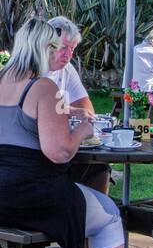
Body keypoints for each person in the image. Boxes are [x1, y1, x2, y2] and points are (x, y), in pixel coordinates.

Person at [0, 18, 142, 248]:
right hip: (26, 195)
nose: (58, 56)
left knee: (89, 198)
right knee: (108, 214)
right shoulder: (42, 86)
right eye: (54, 48)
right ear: (42, 48)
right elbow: (59, 152)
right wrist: (84, 131)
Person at [47, 17, 111, 194]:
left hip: (60, 148)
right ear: (48, 44)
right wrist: (72, 113)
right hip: (38, 155)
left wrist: (77, 114)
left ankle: (92, 213)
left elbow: (86, 109)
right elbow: (41, 110)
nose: (68, 55)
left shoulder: (67, 69)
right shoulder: (32, 70)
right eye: (64, 48)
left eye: (72, 49)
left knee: (99, 168)